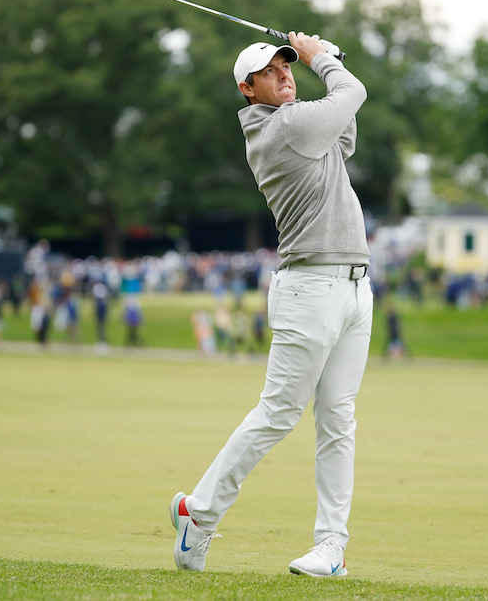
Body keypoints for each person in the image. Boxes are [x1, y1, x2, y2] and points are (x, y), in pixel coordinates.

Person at [170, 32, 372, 578]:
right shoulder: (283, 128)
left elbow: (345, 122)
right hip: (310, 288)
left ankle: (332, 546)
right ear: (248, 88)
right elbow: (352, 93)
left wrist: (328, 61)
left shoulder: (304, 123)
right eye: (270, 71)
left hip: (355, 287)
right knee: (279, 412)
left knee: (338, 419)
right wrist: (320, 57)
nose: (284, 74)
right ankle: (199, 514)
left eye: (288, 66)